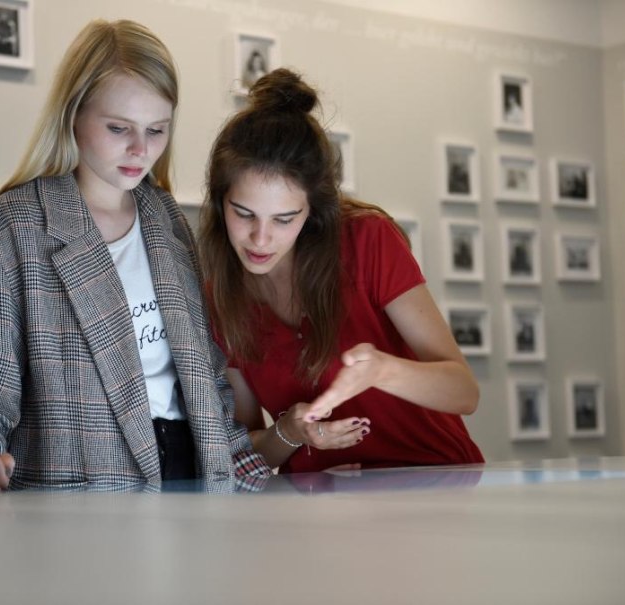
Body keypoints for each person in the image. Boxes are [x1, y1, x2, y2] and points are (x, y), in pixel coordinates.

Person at [0, 19, 270, 490]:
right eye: (118, 128)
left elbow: (205, 376)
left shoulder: (167, 218)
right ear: (73, 113)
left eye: (157, 130)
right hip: (81, 489)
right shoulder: (15, 225)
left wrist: (248, 478)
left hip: (191, 476)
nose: (140, 149)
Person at [199, 68, 483, 473]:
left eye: (284, 219)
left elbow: (464, 393)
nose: (260, 239)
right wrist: (290, 431)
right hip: (320, 505)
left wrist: (383, 370)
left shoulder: (367, 241)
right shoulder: (220, 297)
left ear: (311, 210)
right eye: (244, 214)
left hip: (434, 484)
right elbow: (245, 455)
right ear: (219, 202)